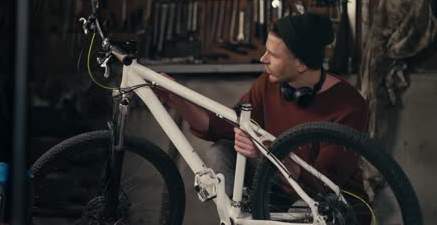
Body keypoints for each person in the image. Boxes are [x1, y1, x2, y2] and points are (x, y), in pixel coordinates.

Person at [157, 13, 369, 217]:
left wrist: (266, 151)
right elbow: (224, 126)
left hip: (329, 203)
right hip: (278, 187)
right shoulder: (268, 84)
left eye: (274, 55)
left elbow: (322, 184)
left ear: (301, 64)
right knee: (221, 150)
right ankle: (233, 217)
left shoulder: (349, 107)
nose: (263, 58)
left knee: (301, 207)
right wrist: (178, 100)